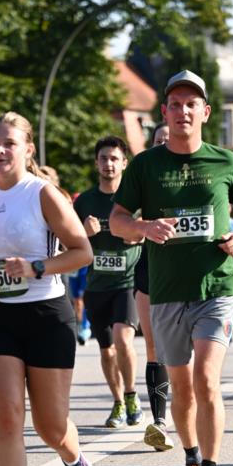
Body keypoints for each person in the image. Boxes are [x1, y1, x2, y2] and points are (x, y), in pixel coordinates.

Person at [110, 70, 233, 466]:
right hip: (167, 292)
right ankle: (191, 460)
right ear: (165, 112)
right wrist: (143, 226)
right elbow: (117, 220)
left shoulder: (225, 162)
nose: (184, 111)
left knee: (207, 380)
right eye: (176, 104)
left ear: (205, 112)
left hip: (217, 286)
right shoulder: (145, 166)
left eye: (192, 104)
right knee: (182, 388)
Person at [0, 111, 95, 466]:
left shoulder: (43, 194)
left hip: (47, 316)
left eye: (8, 143)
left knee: (50, 425)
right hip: (1, 315)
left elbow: (83, 252)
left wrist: (36, 265)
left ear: (26, 149)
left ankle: (72, 454)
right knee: (6, 419)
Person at [74, 136, 144, 429]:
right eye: (103, 158)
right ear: (96, 163)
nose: (109, 164)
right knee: (106, 350)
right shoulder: (85, 201)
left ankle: (131, 394)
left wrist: (135, 233)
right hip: (96, 285)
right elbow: (68, 242)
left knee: (123, 338)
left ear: (124, 163)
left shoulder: (134, 200)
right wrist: (84, 232)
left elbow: (147, 230)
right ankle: (117, 402)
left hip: (127, 282)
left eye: (114, 159)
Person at [133, 122, 174, 451]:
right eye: (159, 140)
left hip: (190, 272)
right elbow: (128, 232)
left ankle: (190, 403)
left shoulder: (197, 176)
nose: (164, 144)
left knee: (185, 350)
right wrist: (144, 227)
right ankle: (159, 420)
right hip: (149, 272)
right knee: (154, 346)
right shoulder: (142, 179)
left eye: (168, 139)